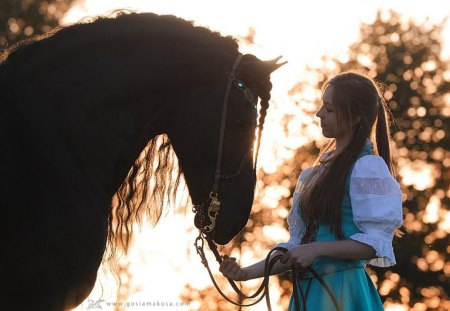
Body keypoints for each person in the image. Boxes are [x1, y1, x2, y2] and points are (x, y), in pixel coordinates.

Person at [219, 71, 404, 310]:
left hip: (343, 292)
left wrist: (317, 249)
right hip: (308, 294)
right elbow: (297, 246)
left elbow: (375, 243)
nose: (319, 114)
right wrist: (245, 273)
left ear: (355, 116)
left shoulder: (366, 168)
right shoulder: (313, 174)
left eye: (329, 108)